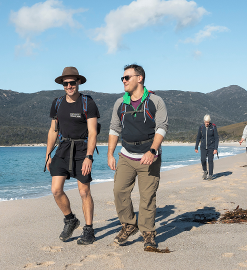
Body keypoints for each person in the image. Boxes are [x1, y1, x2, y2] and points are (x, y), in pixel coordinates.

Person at [108, 64, 168, 250]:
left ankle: (148, 233)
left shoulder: (155, 101)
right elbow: (114, 129)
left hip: (148, 157)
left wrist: (152, 151)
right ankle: (129, 224)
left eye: (127, 77)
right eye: (123, 78)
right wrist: (110, 154)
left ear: (139, 78)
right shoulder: (120, 103)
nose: (123, 81)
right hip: (126, 155)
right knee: (119, 191)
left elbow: (161, 127)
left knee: (147, 196)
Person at [45, 66, 100, 245]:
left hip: (82, 149)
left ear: (78, 82)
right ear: (62, 84)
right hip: (62, 149)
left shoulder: (88, 103)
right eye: (66, 83)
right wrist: (47, 154)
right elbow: (53, 130)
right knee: (56, 190)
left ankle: (89, 230)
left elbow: (93, 132)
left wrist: (89, 156)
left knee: (84, 191)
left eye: (72, 82)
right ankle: (70, 220)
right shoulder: (57, 103)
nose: (69, 86)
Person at [195, 114, 219, 180]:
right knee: (203, 160)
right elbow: (198, 138)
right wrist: (196, 147)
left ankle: (210, 175)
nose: (207, 123)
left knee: (210, 160)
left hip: (211, 147)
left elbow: (216, 138)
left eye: (208, 122)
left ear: (209, 121)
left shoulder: (213, 127)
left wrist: (215, 148)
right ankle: (205, 171)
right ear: (204, 121)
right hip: (203, 147)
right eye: (206, 122)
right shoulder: (201, 127)